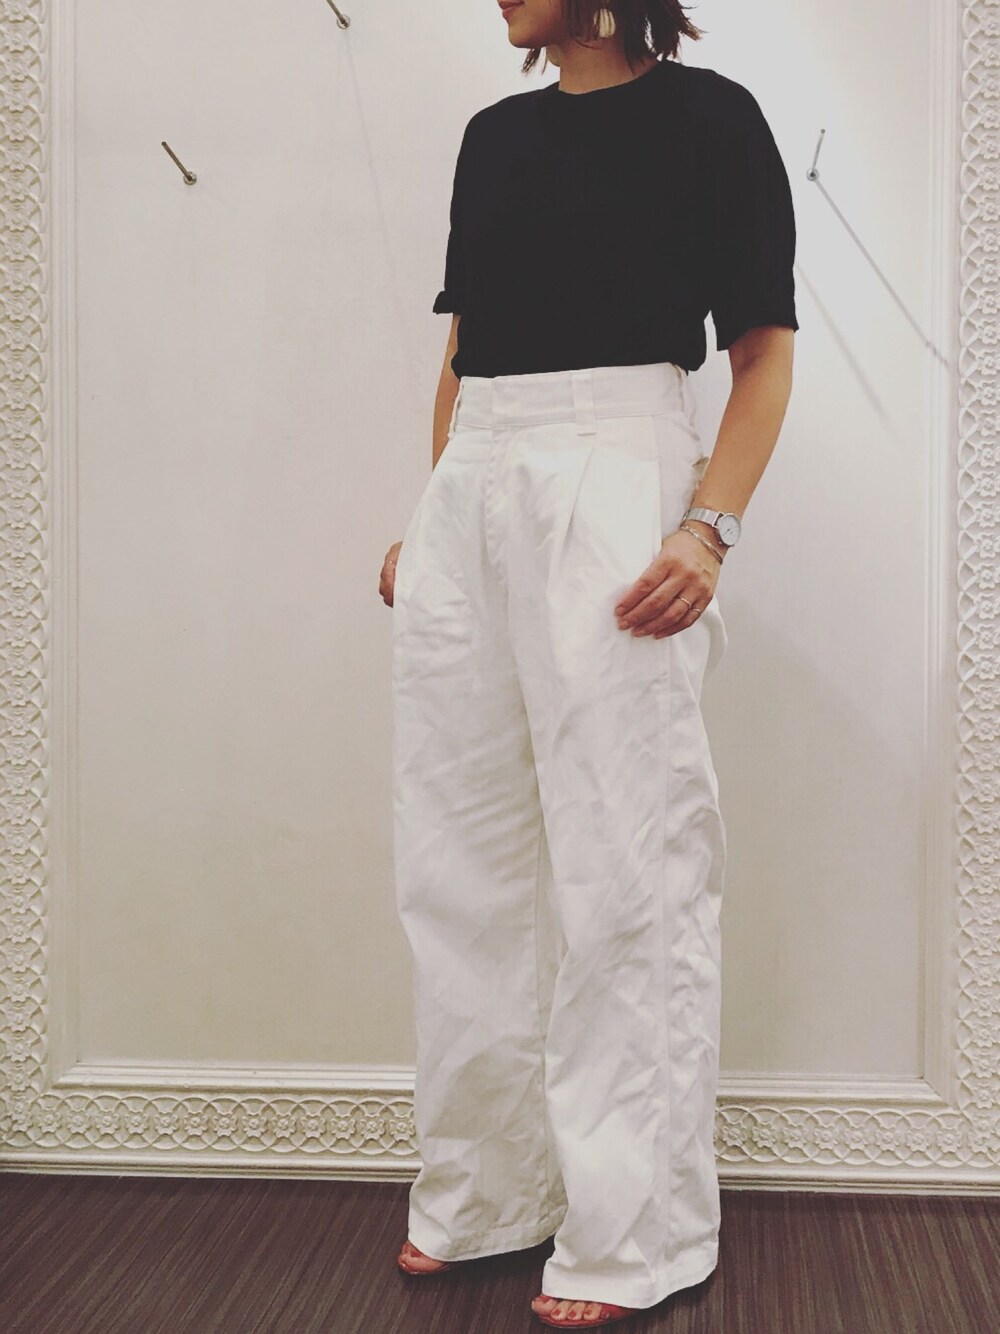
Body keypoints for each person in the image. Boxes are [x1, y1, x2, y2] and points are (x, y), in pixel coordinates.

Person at [379, 1, 797, 1328]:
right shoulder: (492, 136)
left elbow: (762, 352)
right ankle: (485, 1191)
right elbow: (463, 352)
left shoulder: (712, 119)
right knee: (459, 859)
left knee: (628, 862)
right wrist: (433, 515)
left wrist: (708, 528)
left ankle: (636, 1232)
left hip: (618, 463)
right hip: (477, 486)